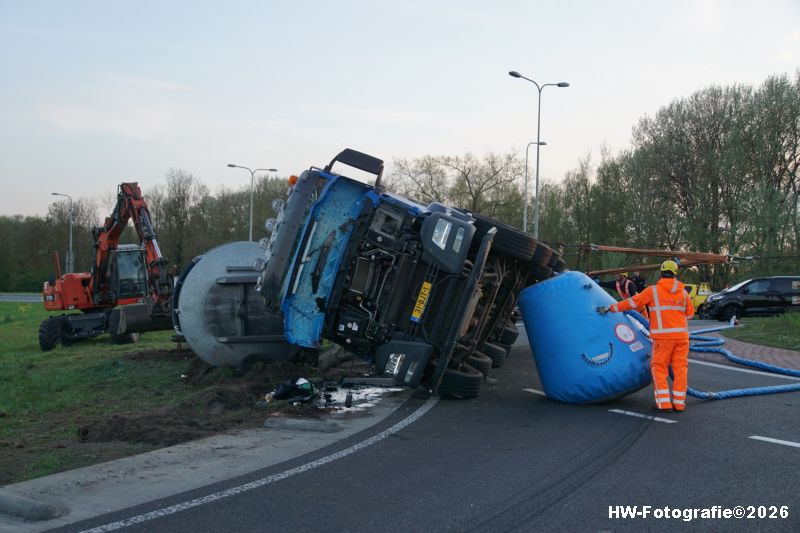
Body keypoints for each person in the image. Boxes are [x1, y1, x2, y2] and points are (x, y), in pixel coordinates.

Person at [597, 260, 694, 412]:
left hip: (663, 339)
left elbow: (632, 303)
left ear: (661, 273)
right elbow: (690, 314)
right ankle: (679, 404)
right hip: (682, 338)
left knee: (659, 368)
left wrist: (611, 307)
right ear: (675, 274)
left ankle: (664, 404)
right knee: (680, 370)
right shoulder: (683, 293)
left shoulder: (653, 291)